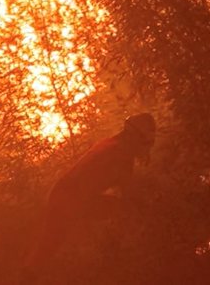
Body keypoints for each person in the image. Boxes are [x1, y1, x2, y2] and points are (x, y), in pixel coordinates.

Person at [26, 112, 156, 265]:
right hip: (73, 201)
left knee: (46, 249)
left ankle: (32, 273)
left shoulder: (110, 144)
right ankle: (118, 257)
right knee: (125, 210)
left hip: (63, 194)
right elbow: (130, 196)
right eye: (145, 143)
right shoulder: (123, 156)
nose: (145, 148)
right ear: (136, 137)